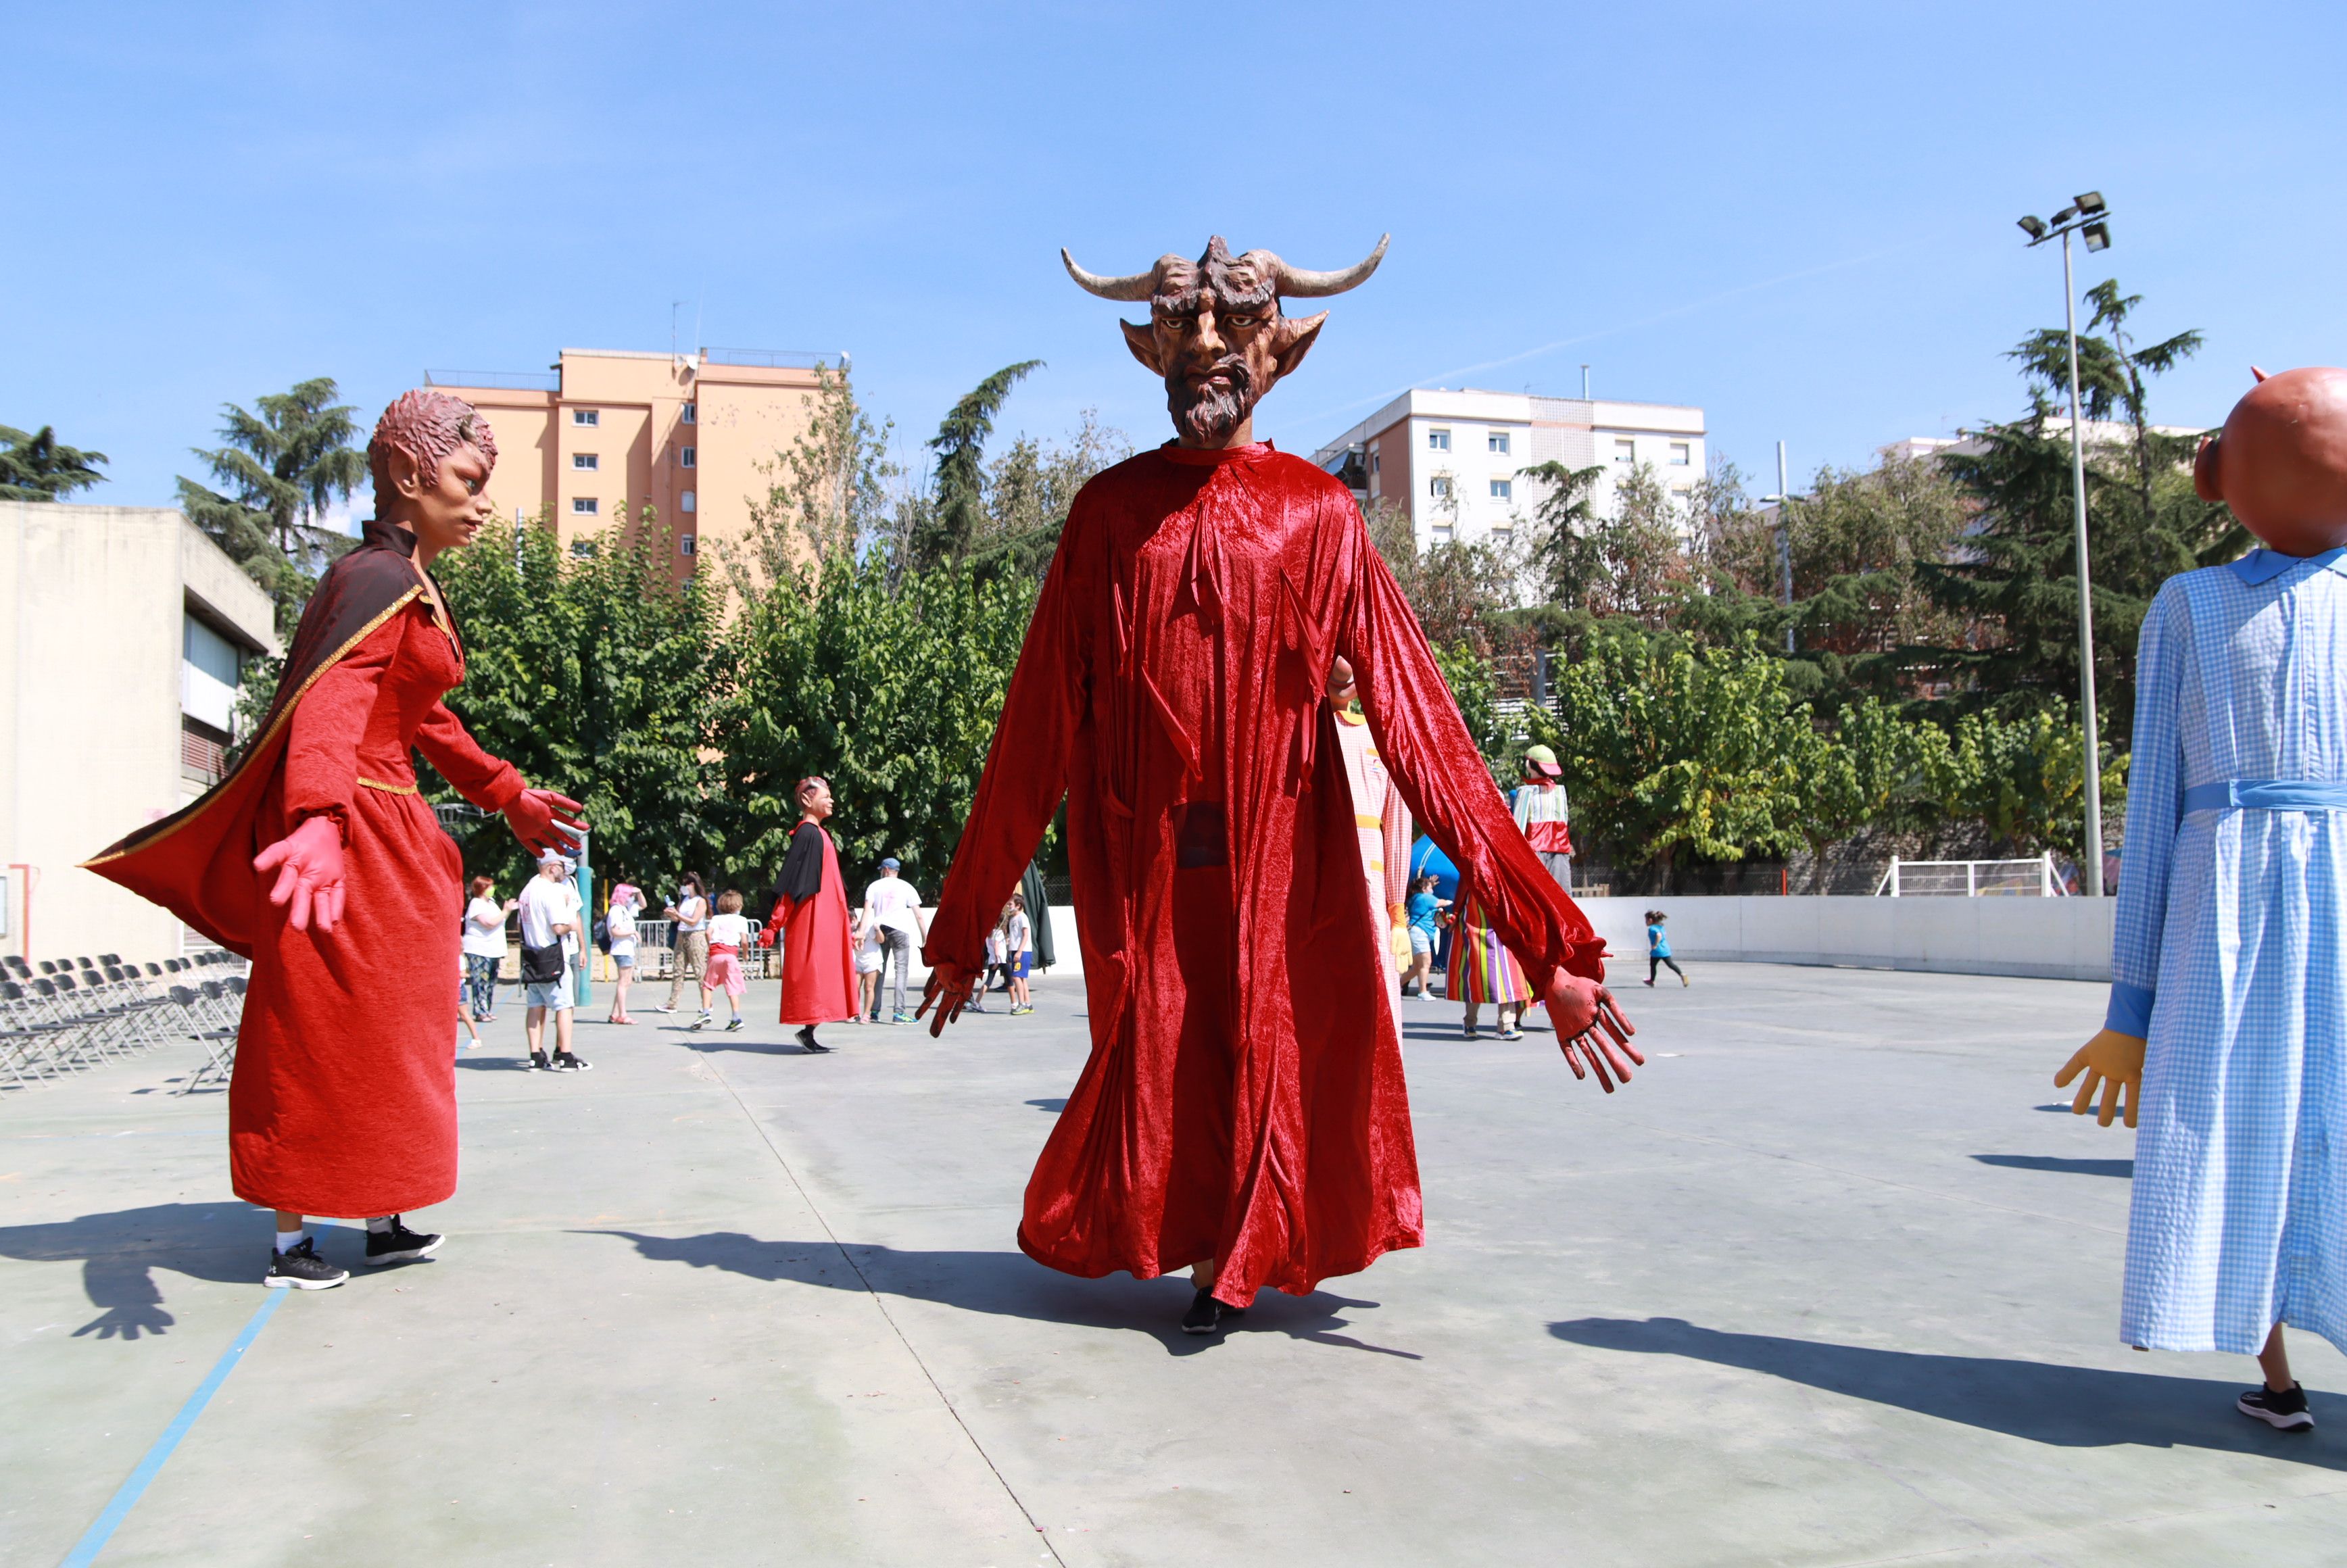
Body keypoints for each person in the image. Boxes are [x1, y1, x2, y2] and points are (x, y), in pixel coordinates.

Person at [919, 235, 1637, 1336]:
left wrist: (1548, 954)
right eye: (1182, 327)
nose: (1205, 343)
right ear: (1148, 347)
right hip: (1148, 867)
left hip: (1280, 866)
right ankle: (1208, 1248)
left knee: (1268, 1042)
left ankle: (1238, 1261)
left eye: (1232, 324)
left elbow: (1427, 735)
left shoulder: (1321, 515)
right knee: (1159, 1052)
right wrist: (964, 928)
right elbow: (1032, 733)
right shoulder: (1107, 519)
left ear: (1278, 345)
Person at [83, 389, 585, 1289]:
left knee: (395, 1034)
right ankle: (289, 1240)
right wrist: (318, 821)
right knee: (317, 1033)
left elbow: (422, 717)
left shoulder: (410, 585)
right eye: (467, 482)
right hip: (349, 838)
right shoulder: (376, 581)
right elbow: (331, 705)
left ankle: (384, 1209)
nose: (480, 504)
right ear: (407, 474)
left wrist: (506, 793)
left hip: (397, 843)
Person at [2057, 365, 2347, 1433]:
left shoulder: (2189, 603)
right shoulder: (2191, 605)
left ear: (2220, 476)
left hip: (2222, 909)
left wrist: (2132, 1006)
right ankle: (2278, 1380)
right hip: (2285, 905)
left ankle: (2278, 1383)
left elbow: (2154, 801)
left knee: (2229, 1125)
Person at [1329, 654, 1412, 1020]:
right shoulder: (1291, 733)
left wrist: (1397, 912)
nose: (1343, 671)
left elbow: (1397, 825)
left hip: (1370, 886)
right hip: (1309, 885)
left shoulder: (1380, 738)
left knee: (1374, 993)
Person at [773, 777, 858, 1053]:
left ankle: (808, 1032)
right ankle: (807, 1031)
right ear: (808, 800)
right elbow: (793, 879)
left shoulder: (819, 834)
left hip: (827, 916)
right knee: (815, 973)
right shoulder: (808, 833)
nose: (831, 800)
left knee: (826, 973)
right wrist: (774, 923)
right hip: (814, 916)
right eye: (826, 796)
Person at [519, 850, 590, 1073]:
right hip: (552, 956)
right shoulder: (550, 892)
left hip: (532, 955)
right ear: (551, 867)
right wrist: (572, 925)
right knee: (565, 1006)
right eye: (561, 865)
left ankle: (535, 1056)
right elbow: (559, 926)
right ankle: (566, 1056)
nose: (564, 870)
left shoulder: (527, 890)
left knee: (535, 1006)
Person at [1454, 892, 1531, 1040]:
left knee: (1508, 979)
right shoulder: (1471, 874)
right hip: (1475, 927)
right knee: (1477, 978)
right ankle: (1470, 1023)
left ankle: (1507, 1026)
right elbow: (1461, 895)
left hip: (1504, 927)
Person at [863, 857, 927, 1025]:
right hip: (900, 931)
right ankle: (899, 1013)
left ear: (885, 869)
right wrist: (925, 938)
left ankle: (874, 1011)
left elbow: (867, 911)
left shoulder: (875, 886)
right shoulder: (907, 887)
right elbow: (919, 915)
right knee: (901, 972)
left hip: (880, 930)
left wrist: (861, 933)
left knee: (878, 970)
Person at [1510, 743, 1574, 894]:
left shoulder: (1525, 792)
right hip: (1560, 850)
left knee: (1536, 898)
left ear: (1529, 765)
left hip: (1534, 852)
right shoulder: (1561, 792)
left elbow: (1518, 829)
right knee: (1563, 899)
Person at [659, 873, 711, 1024]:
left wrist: (678, 915)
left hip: (696, 936)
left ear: (692, 884)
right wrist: (671, 914)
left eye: (686, 884)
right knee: (678, 970)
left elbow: (694, 921)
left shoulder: (700, 901)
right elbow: (678, 918)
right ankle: (672, 1003)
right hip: (682, 935)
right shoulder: (685, 900)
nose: (684, 887)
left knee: (699, 970)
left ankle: (707, 1004)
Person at [462, 875, 512, 1021]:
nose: (492, 889)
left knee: (491, 981)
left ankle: (487, 1009)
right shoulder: (476, 904)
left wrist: (506, 911)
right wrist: (506, 911)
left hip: (494, 949)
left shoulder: (491, 903)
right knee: (480, 981)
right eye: (489, 886)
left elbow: (499, 921)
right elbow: (489, 923)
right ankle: (480, 1011)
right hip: (479, 949)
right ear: (482, 888)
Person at [700, 890, 751, 1031]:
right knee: (732, 987)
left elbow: (707, 933)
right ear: (739, 906)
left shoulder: (716, 919)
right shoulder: (742, 920)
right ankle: (736, 1017)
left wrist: (711, 945)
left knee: (708, 985)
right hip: (731, 955)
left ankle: (705, 1012)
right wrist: (745, 955)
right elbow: (745, 942)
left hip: (716, 953)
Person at [1403, 873, 1448, 1000]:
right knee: (1426, 963)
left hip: (1417, 933)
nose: (1433, 890)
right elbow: (1442, 902)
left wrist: (1430, 884)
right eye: (1430, 888)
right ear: (1424, 890)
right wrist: (1453, 901)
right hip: (1420, 934)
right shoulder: (1425, 898)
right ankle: (1422, 992)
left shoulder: (1417, 897)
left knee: (1417, 967)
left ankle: (1398, 986)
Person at [604, 883, 642, 1024]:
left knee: (627, 982)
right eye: (629, 895)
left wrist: (638, 892)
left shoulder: (624, 910)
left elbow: (643, 905)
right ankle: (622, 1014)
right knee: (623, 981)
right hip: (622, 949)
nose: (630, 898)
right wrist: (632, 932)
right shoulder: (616, 911)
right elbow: (615, 931)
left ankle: (615, 1013)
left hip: (627, 949)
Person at [850, 905, 882, 1023]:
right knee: (855, 987)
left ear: (855, 918)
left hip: (872, 961)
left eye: (852, 921)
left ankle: (867, 1014)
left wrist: (877, 929)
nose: (850, 924)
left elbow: (881, 940)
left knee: (869, 987)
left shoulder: (867, 927)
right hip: (859, 962)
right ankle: (854, 1013)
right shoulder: (848, 930)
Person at [1005, 892, 1035, 1015]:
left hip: (1022, 951)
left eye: (1010, 904)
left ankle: (1022, 1004)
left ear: (1018, 905)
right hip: (1015, 951)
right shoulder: (1013, 918)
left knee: (1016, 977)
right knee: (1021, 978)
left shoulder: (1022, 917)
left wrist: (1019, 951)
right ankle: (1028, 1004)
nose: (1008, 906)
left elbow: (1026, 935)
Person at [1643, 910, 1688, 987]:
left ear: (1650, 920)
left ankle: (1652, 981)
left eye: (1646, 920)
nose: (1646, 922)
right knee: (1671, 964)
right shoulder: (1661, 927)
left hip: (1657, 951)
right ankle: (1682, 975)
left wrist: (1655, 945)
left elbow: (1659, 935)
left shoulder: (1652, 928)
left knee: (1653, 965)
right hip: (1665, 949)